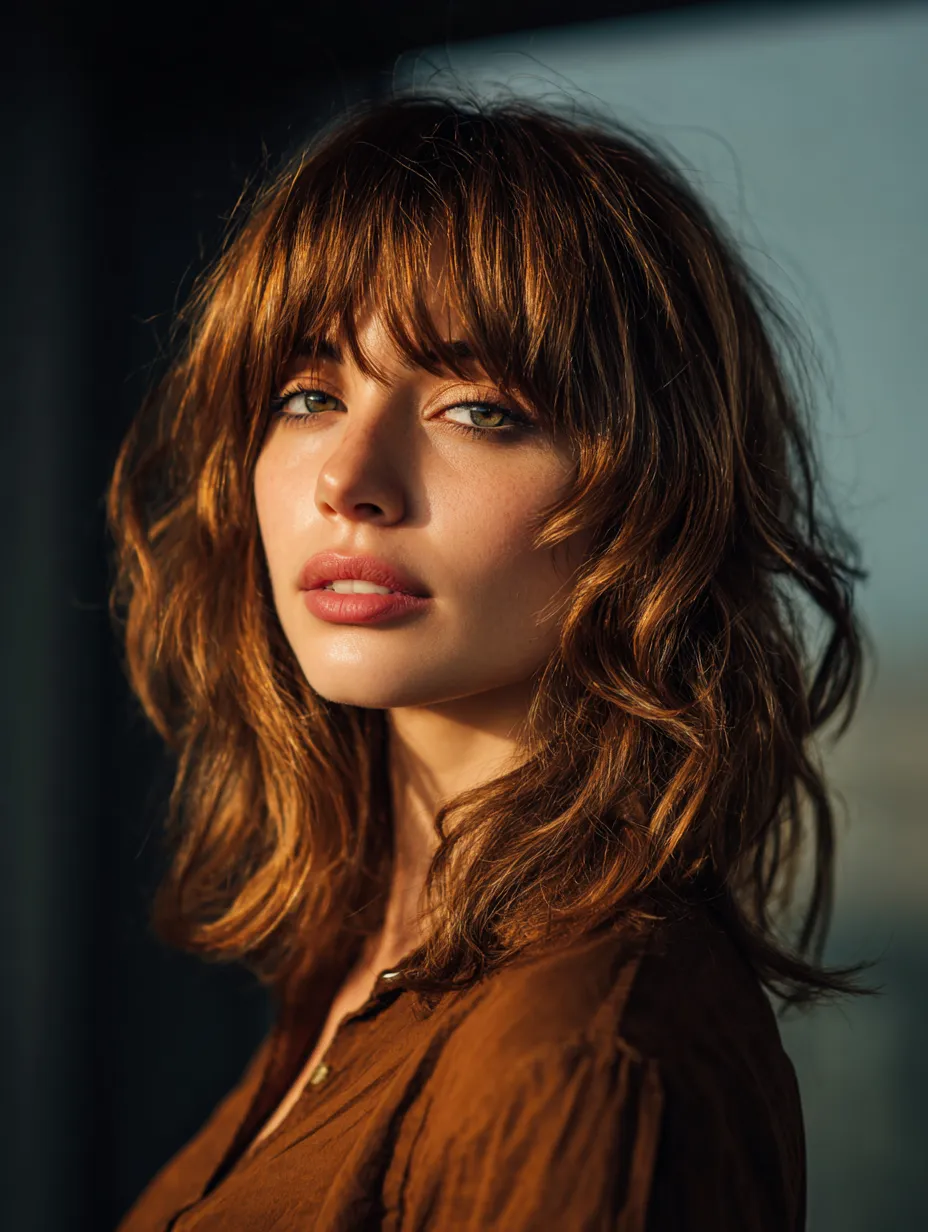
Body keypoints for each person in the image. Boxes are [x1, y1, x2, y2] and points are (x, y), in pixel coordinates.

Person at [109, 86, 879, 1231]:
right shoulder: (360, 966)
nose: (348, 479)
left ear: (653, 495)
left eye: (478, 410)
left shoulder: (581, 1056)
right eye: (309, 394)